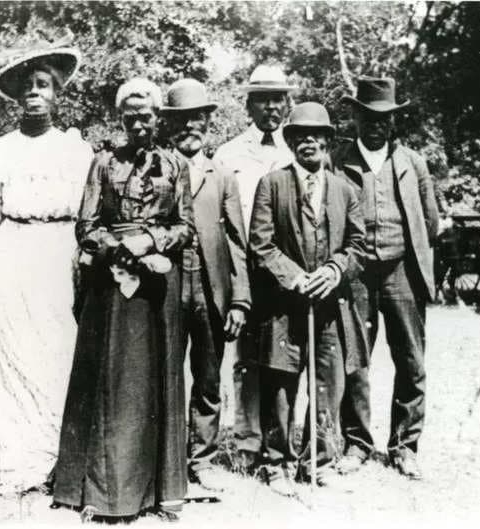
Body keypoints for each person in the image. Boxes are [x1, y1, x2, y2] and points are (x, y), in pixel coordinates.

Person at [52, 78, 194, 522]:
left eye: (146, 115)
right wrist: (118, 249)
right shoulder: (102, 163)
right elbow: (85, 224)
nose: (138, 123)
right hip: (110, 288)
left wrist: (151, 240)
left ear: (158, 118)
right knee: (111, 385)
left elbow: (186, 226)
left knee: (157, 382)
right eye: (130, 116)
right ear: (121, 118)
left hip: (157, 288)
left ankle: (157, 494)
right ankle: (103, 493)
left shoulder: (176, 166)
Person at [0, 42, 94, 495]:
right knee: (15, 353)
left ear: (58, 94)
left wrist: (83, 267)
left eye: (44, 86)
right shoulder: (1, 150)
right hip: (15, 255)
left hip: (59, 257)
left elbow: (84, 219)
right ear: (17, 97)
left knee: (58, 353)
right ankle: (19, 459)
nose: (35, 94)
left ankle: (57, 458)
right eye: (28, 88)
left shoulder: (75, 149)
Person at [248, 102, 367, 495]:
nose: (308, 142)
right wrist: (295, 277)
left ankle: (321, 459)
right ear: (290, 141)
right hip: (284, 305)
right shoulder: (273, 184)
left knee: (327, 382)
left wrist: (334, 271)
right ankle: (276, 460)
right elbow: (260, 245)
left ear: (329, 141)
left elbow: (357, 245)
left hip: (330, 306)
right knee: (281, 381)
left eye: (317, 135)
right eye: (300, 135)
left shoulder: (345, 190)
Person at [334, 77, 439, 480]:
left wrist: (409, 257)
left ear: (394, 122)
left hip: (401, 271)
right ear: (356, 117)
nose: (377, 125)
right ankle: (357, 442)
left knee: (411, 359)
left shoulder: (413, 162)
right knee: (354, 359)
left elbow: (429, 222)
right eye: (369, 117)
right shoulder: (338, 159)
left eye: (386, 118)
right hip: (356, 273)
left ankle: (405, 446)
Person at [160, 79, 251, 492]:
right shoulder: (156, 169)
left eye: (197, 119)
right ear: (169, 125)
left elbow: (237, 241)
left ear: (208, 123)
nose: (190, 127)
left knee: (209, 378)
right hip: (166, 288)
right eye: (181, 120)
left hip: (213, 289)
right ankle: (165, 460)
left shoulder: (223, 175)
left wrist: (240, 301)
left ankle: (204, 458)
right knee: (166, 374)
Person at [212, 65, 296, 469]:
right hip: (244, 269)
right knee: (245, 358)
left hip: (285, 272)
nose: (271, 107)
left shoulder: (297, 151)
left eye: (278, 99)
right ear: (248, 103)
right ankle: (247, 445)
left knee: (281, 359)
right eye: (263, 99)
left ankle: (280, 442)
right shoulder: (228, 154)